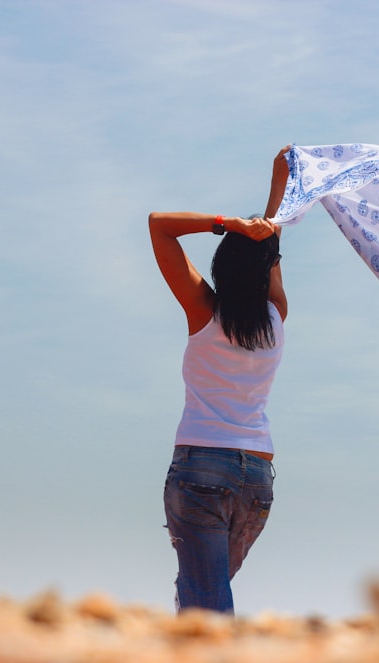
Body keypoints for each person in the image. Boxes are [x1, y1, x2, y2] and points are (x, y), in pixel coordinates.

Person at [149, 146, 290, 613]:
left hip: (202, 467)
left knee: (204, 606)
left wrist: (228, 224)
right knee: (202, 594)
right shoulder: (275, 318)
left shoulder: (203, 313)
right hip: (255, 478)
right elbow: (270, 249)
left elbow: (159, 225)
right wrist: (277, 189)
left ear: (222, 266)